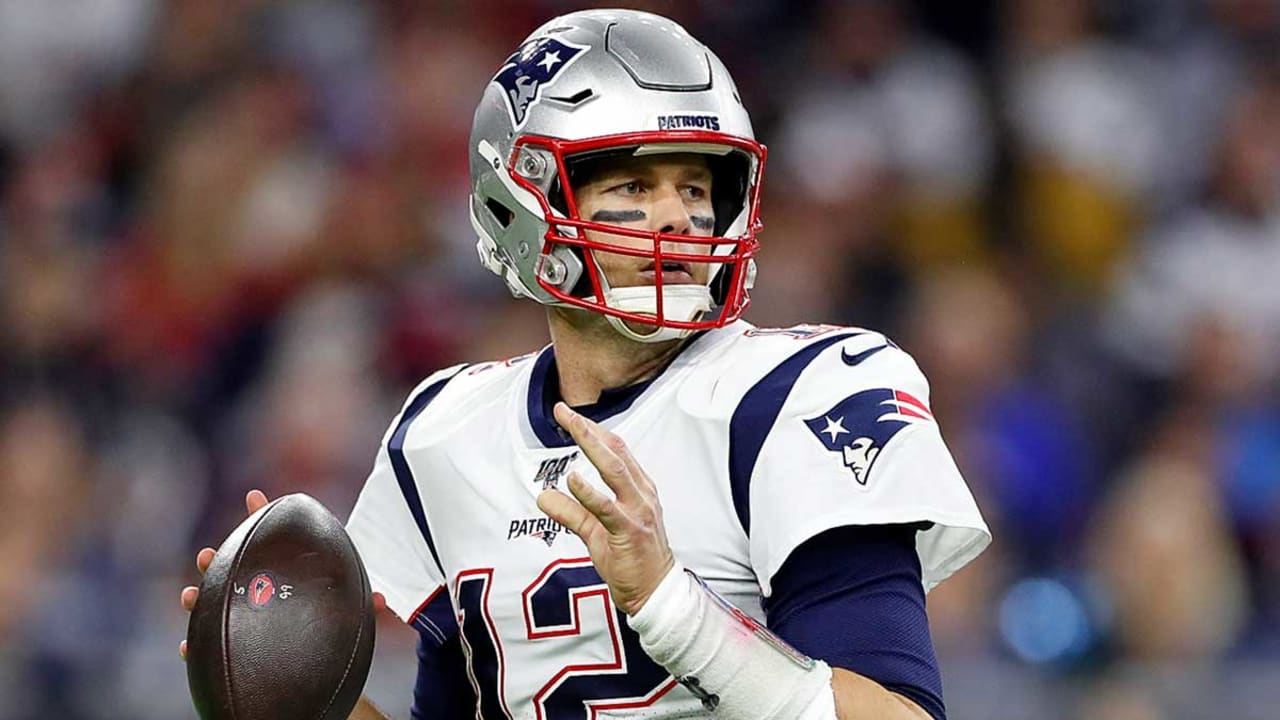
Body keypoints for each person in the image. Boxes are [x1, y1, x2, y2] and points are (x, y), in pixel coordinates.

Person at [181, 8, 989, 719]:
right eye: (633, 184)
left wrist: (673, 607)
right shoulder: (445, 433)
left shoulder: (793, 396)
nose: (676, 216)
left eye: (696, 185)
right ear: (519, 203)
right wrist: (286, 696)